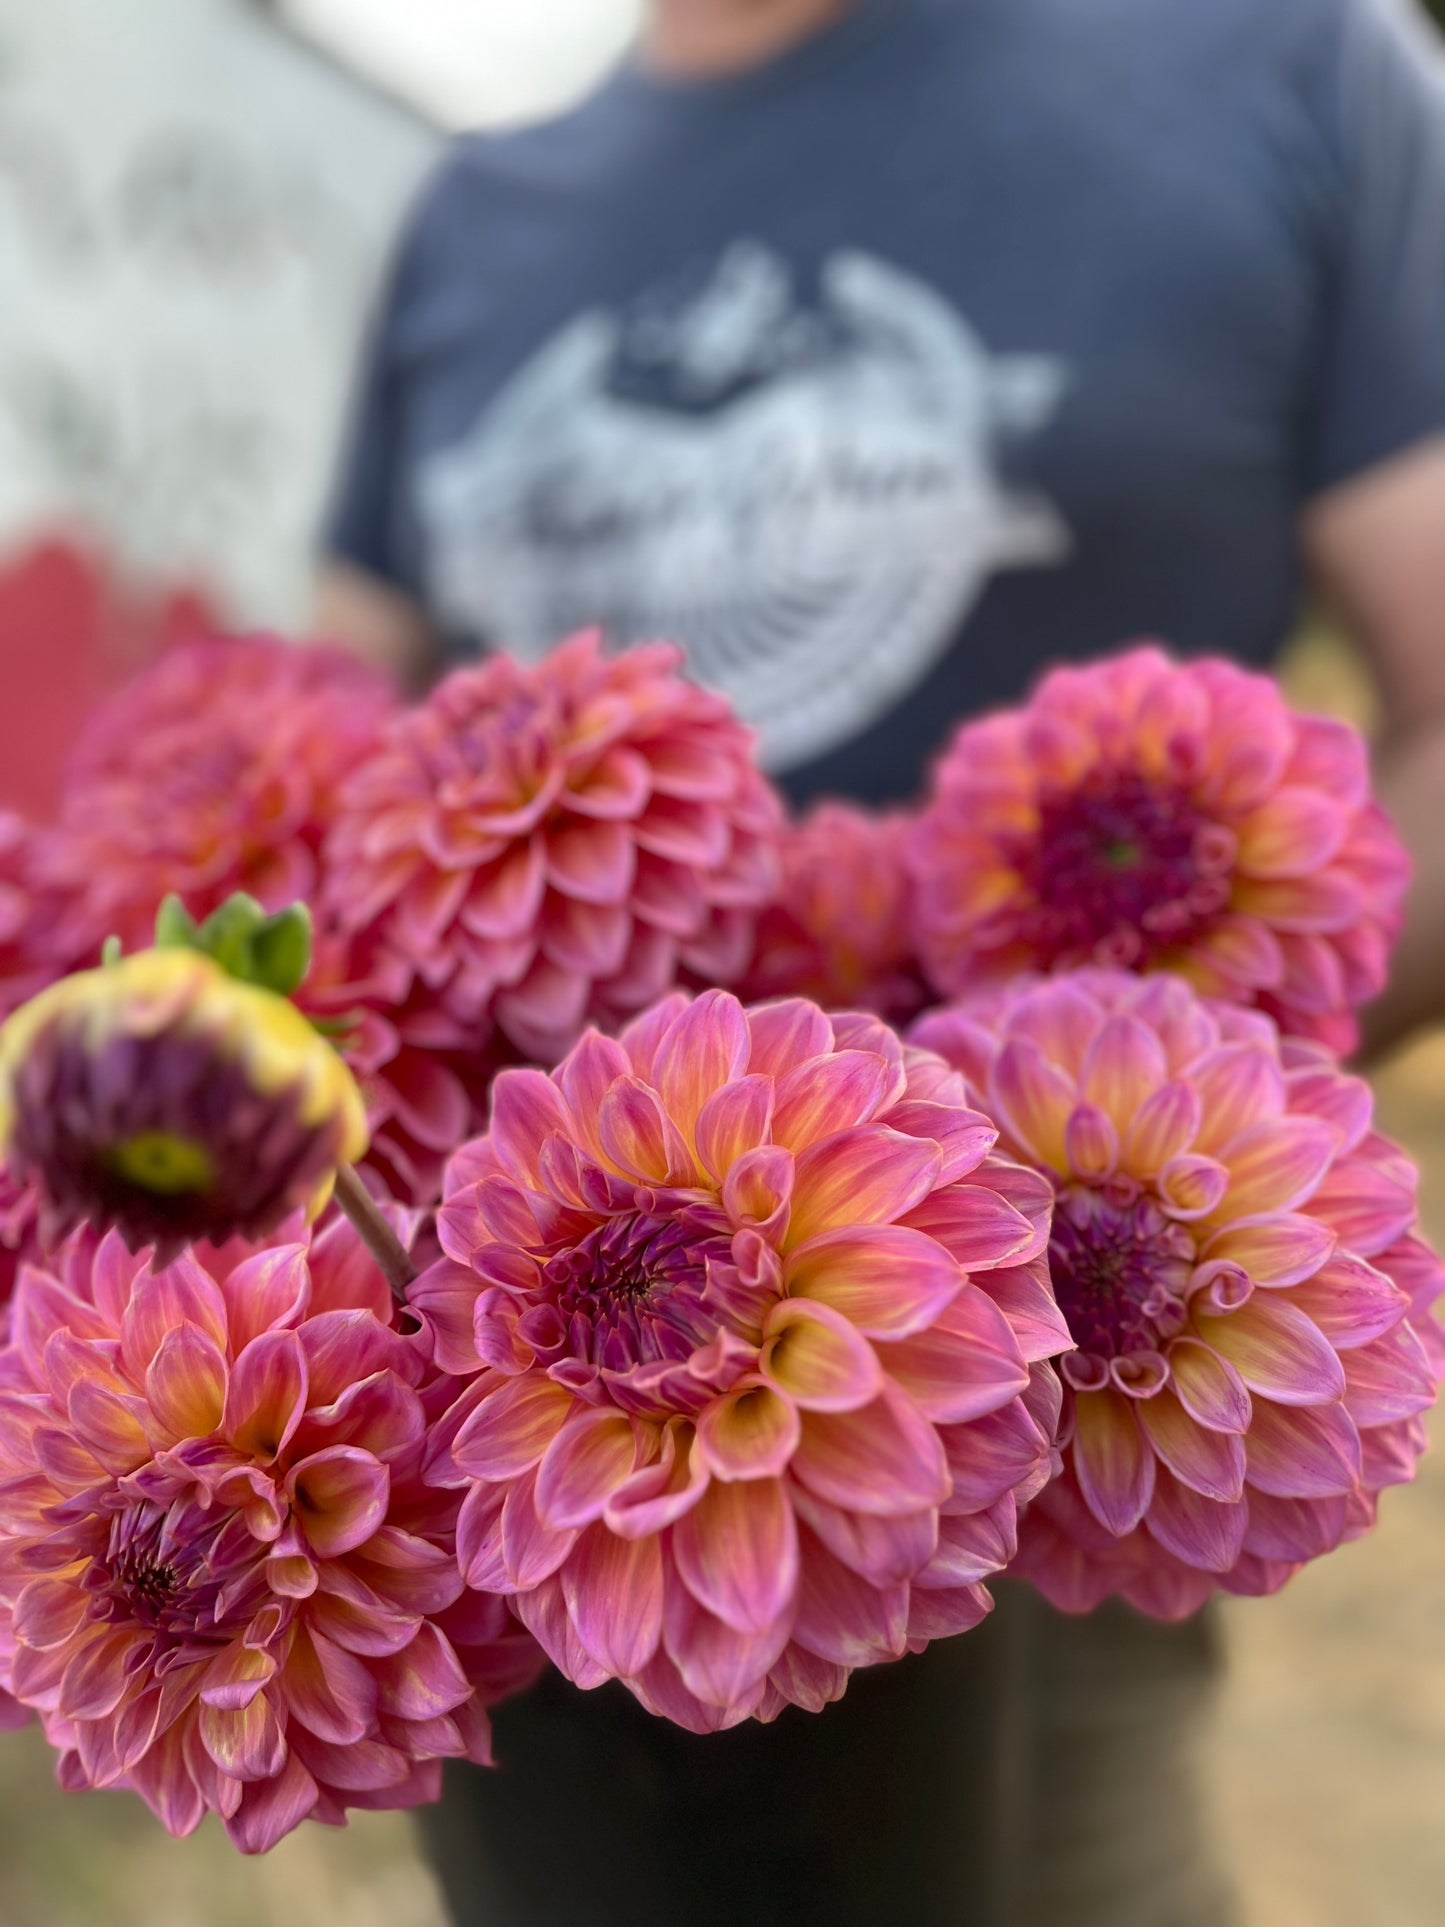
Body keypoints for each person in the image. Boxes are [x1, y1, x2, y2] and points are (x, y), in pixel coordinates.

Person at [316, 0, 1445, 1920]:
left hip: (1056, 1449)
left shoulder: (1284, 71)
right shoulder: (473, 217)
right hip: (538, 1461)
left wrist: (1080, 1148)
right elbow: (335, 773)